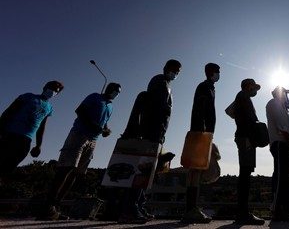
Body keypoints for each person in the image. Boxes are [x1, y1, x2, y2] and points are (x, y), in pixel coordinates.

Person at [39, 83, 121, 220]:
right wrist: (93, 125)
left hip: (93, 141)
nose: (115, 94)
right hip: (79, 135)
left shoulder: (111, 107)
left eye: (118, 92)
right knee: (66, 168)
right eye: (114, 91)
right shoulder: (95, 97)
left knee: (76, 173)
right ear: (108, 89)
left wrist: (106, 129)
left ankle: (56, 207)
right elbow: (80, 111)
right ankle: (47, 206)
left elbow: (104, 122)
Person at [118, 59, 181, 224]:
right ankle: (130, 210)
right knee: (141, 173)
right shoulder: (158, 81)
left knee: (147, 174)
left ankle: (138, 206)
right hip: (149, 133)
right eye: (174, 69)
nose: (176, 73)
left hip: (157, 134)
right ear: (166, 68)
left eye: (178, 71)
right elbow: (153, 107)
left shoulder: (167, 85)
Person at [181, 63, 220, 224]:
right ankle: (191, 210)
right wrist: (202, 132)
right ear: (211, 72)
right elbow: (201, 109)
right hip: (200, 132)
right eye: (218, 72)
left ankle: (192, 208)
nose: (219, 75)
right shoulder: (204, 86)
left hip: (203, 133)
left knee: (196, 172)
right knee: (195, 171)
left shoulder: (209, 87)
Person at [0, 81, 64, 177]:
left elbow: (42, 127)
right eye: (51, 88)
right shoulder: (28, 96)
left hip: (26, 140)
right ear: (45, 87)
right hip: (11, 134)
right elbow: (8, 112)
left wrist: (38, 145)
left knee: (9, 168)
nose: (53, 91)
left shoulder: (49, 108)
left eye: (56, 91)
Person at [266, 86, 289, 221]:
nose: (288, 97)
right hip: (281, 144)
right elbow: (282, 127)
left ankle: (287, 209)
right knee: (281, 177)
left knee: (287, 178)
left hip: (284, 145)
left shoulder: (280, 106)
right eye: (286, 94)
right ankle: (277, 210)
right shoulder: (274, 103)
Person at [232, 78, 265, 225]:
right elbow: (248, 120)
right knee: (245, 173)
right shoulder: (243, 96)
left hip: (246, 137)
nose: (256, 91)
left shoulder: (242, 97)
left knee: (245, 172)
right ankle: (243, 213)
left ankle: (243, 212)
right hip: (246, 137)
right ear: (248, 86)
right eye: (254, 87)